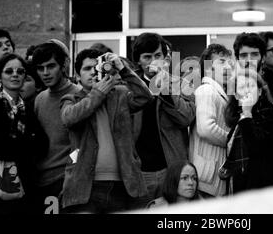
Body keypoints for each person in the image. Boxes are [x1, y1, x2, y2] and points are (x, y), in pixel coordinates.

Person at [60, 49, 152, 213]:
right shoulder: (71, 99)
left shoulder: (119, 95)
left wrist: (123, 69)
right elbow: (69, 119)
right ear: (77, 75)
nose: (92, 73)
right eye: (87, 69)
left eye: (96, 68)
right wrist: (98, 93)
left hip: (122, 185)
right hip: (85, 188)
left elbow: (145, 97)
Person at [131, 32, 196, 203]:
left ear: (165, 57)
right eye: (147, 57)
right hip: (140, 170)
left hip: (171, 168)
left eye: (158, 55)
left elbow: (186, 118)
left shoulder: (181, 84)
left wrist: (166, 89)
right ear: (138, 60)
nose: (154, 61)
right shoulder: (130, 87)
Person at [0, 54, 48, 214]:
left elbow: (43, 145)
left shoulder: (28, 108)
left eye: (20, 71)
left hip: (26, 185)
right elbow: (2, 148)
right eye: (9, 71)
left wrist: (18, 142)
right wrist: (27, 142)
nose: (15, 75)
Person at [31, 41, 81, 213]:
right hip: (41, 180)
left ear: (64, 65)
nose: (45, 73)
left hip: (66, 180)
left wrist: (71, 176)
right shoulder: (39, 99)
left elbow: (84, 144)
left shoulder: (80, 95)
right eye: (40, 68)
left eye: (51, 66)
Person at [224, 70, 273, 193]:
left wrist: (247, 113)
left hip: (262, 188)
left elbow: (257, 147)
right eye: (241, 87)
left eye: (251, 86)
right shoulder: (238, 120)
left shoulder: (269, 115)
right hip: (240, 188)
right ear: (236, 95)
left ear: (260, 91)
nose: (247, 91)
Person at [189, 44, 233, 198]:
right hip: (207, 177)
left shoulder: (218, 92)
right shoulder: (206, 90)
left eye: (229, 62)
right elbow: (206, 129)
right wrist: (232, 140)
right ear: (208, 68)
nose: (228, 66)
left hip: (212, 175)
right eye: (222, 62)